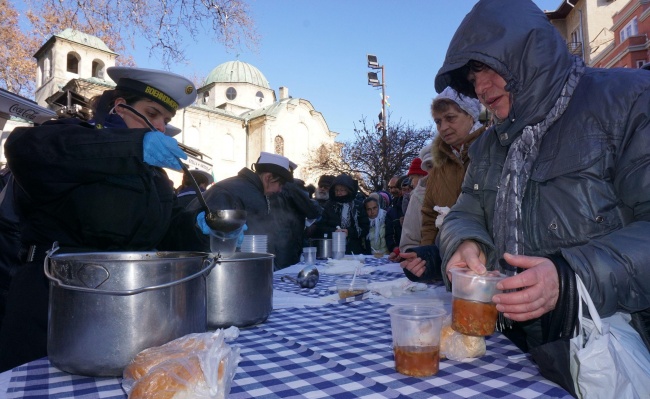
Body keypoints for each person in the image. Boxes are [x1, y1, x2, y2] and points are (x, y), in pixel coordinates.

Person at [411, 0, 650, 391]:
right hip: (514, 349)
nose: (482, 89)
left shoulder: (628, 99)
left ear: (530, 54)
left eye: (491, 68)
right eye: (473, 78)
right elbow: (465, 210)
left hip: (611, 348)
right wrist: (464, 240)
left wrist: (572, 277)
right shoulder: (490, 144)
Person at [0, 66, 213, 371]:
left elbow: (165, 233)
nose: (159, 127)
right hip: (52, 300)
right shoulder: (74, 135)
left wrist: (200, 227)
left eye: (165, 121)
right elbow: (26, 149)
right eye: (151, 113)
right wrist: (131, 147)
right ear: (119, 105)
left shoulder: (154, 176)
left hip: (123, 308)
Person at [400, 87, 486, 283]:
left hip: (483, 265)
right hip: (447, 265)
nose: (443, 127)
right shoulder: (439, 165)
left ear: (471, 116)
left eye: (450, 118)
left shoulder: (489, 153)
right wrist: (427, 256)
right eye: (438, 121)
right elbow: (429, 215)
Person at [189, 151, 297, 257]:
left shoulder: (239, 184)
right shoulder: (251, 195)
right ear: (268, 177)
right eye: (280, 184)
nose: (280, 190)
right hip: (210, 262)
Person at [310, 173, 370, 255]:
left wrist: (349, 232)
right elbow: (321, 226)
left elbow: (365, 227)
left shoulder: (358, 206)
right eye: (337, 190)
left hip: (354, 250)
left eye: (342, 190)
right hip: (332, 249)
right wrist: (334, 231)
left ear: (349, 190)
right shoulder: (329, 205)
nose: (339, 193)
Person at [270, 179, 322, 269]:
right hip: (288, 238)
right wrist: (314, 203)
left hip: (270, 235)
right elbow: (312, 211)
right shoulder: (291, 186)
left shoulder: (265, 184)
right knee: (287, 272)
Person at [398, 143, 434, 253]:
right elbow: (410, 240)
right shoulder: (417, 197)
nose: (411, 183)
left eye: (413, 178)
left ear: (422, 175)